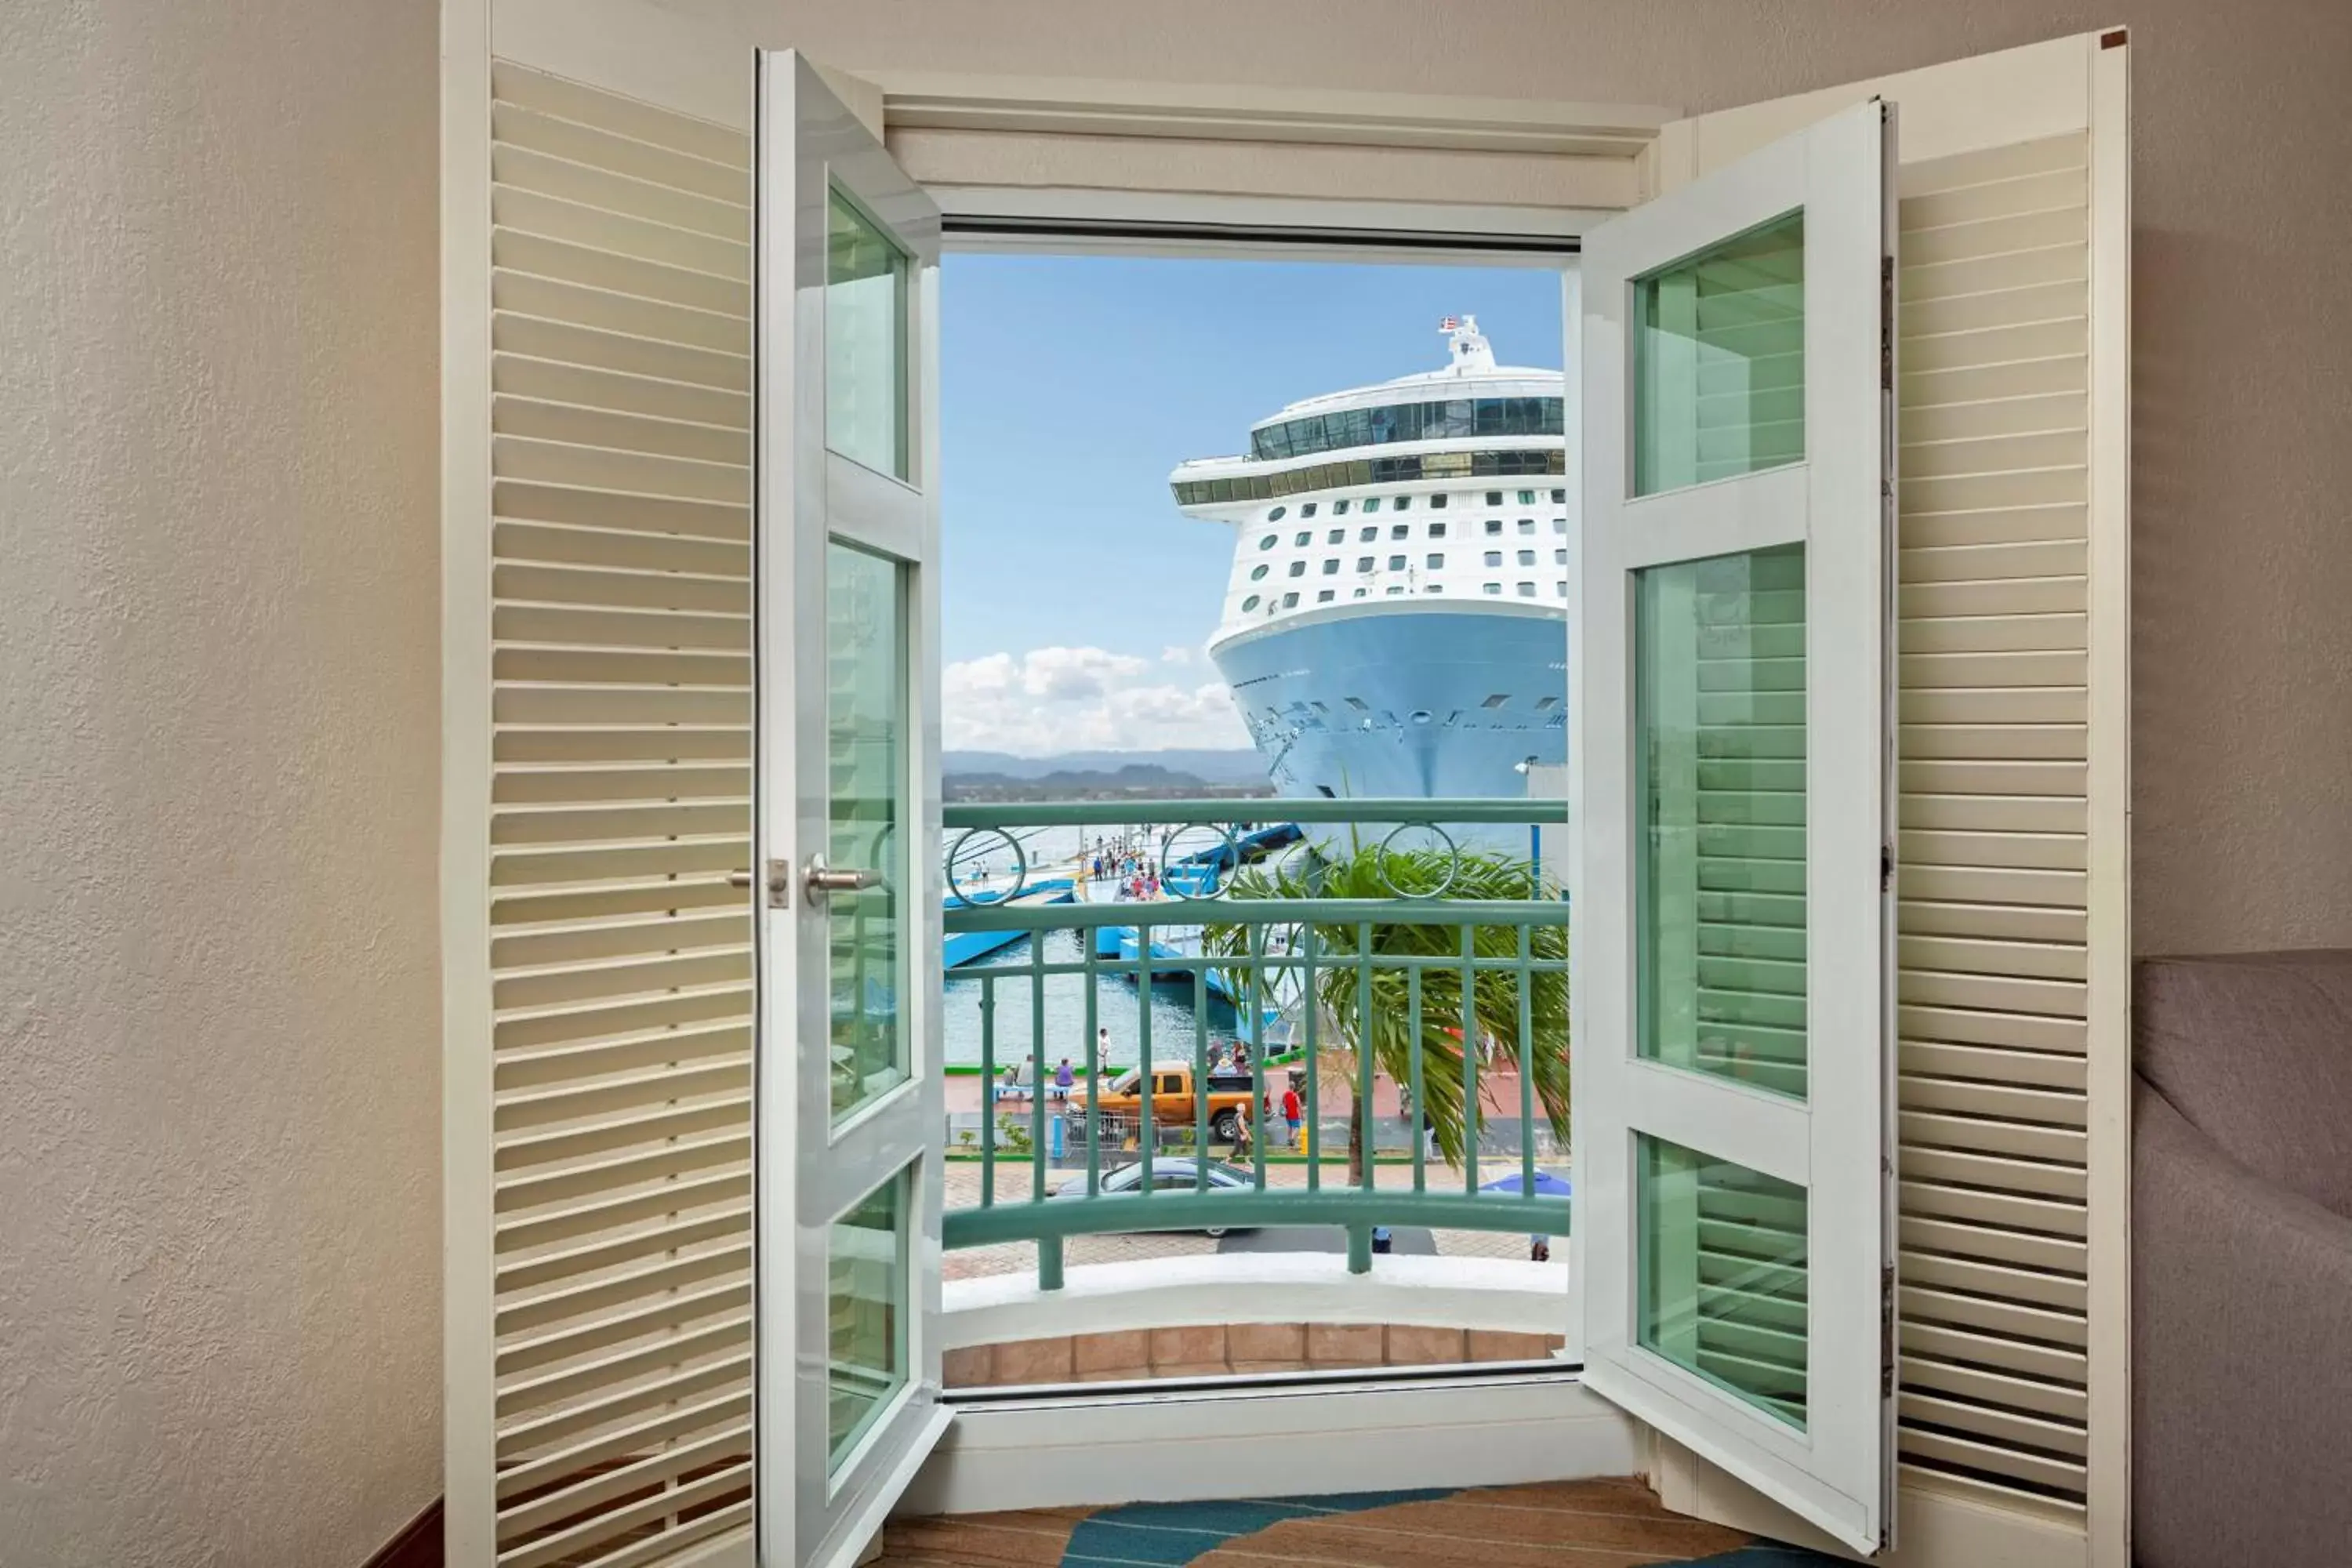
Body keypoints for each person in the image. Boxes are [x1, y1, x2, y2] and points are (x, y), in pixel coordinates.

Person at [1280, 1079, 1304, 1148]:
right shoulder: (1295, 1096)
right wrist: (1302, 1115)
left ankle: (1289, 1139)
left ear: (1289, 1087)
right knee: (1297, 1127)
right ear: (1294, 1087)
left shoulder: (1285, 1094)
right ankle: (1292, 1139)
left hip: (1287, 1114)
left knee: (1290, 1127)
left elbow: (1282, 1103)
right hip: (1294, 1114)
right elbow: (1299, 1105)